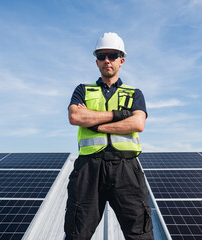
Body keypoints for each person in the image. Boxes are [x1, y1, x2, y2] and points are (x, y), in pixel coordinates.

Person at [65, 32, 154, 240]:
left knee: (140, 233)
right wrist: (117, 116)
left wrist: (96, 125)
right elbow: (75, 116)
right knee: (76, 233)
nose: (107, 60)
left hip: (127, 170)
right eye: (102, 56)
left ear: (121, 60)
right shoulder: (83, 90)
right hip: (89, 169)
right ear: (96, 61)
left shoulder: (134, 93)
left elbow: (137, 123)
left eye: (112, 55)